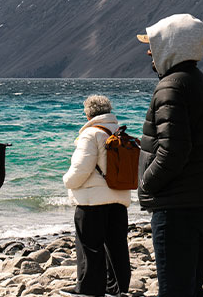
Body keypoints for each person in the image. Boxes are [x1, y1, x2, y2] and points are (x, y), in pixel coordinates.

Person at [137, 14, 203, 297]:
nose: (150, 51)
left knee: (175, 290)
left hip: (176, 207)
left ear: (172, 45)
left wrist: (147, 184)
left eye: (154, 43)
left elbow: (172, 151)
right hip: (202, 199)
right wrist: (197, 173)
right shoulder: (202, 83)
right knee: (191, 286)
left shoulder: (171, 86)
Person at [62, 95, 131, 296]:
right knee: (117, 246)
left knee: (89, 247)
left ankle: (89, 290)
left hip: (92, 201)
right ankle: (117, 289)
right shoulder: (118, 132)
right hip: (118, 198)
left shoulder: (90, 134)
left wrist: (67, 181)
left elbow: (81, 169)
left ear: (88, 113)